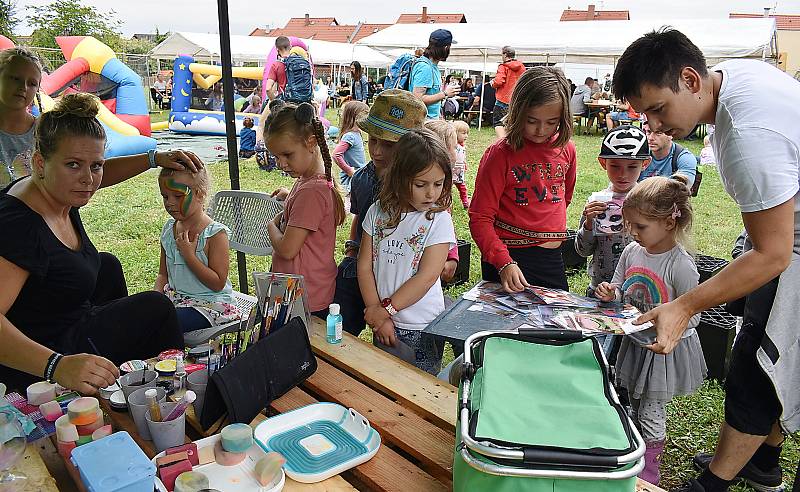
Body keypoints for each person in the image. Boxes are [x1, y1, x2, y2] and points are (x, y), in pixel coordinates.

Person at [613, 28, 799, 492]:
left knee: (756, 365)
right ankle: (763, 461)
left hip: (789, 246)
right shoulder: (737, 76)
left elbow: (773, 254)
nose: (654, 128)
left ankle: (712, 484)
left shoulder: (746, 136)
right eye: (646, 114)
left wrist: (684, 305)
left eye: (658, 110)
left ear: (691, 80)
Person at [0, 93, 185, 394]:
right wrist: (57, 366)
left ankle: (122, 380)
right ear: (40, 163)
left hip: (59, 314)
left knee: (107, 264)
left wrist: (153, 159)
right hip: (39, 358)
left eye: (95, 166)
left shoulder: (55, 189)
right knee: (156, 307)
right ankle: (172, 394)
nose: (88, 179)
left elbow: (94, 171)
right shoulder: (18, 224)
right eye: (73, 164)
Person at [595, 175, 707, 486]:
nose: (632, 232)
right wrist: (610, 293)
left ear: (669, 223)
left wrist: (662, 325)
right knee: (631, 400)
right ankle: (633, 446)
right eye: (630, 225)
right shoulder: (632, 252)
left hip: (661, 353)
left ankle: (649, 471)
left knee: (651, 412)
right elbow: (622, 288)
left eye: (640, 227)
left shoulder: (680, 266)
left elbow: (692, 316)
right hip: (634, 342)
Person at [357, 128, 456, 374]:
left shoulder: (438, 219)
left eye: (438, 184)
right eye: (421, 184)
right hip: (384, 320)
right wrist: (375, 311)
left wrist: (384, 310)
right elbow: (364, 266)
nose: (431, 193)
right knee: (385, 382)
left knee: (420, 389)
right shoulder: (377, 212)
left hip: (422, 324)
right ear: (400, 177)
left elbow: (427, 276)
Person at [469, 67, 576, 294]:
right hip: (508, 259)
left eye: (551, 122)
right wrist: (503, 261)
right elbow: (480, 217)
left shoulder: (567, 149)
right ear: (517, 111)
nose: (541, 130)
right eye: (532, 120)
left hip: (551, 258)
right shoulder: (499, 154)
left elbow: (563, 200)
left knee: (555, 326)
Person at [333, 89, 428, 336]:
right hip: (360, 265)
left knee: (394, 344)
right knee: (340, 323)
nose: (377, 151)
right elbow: (359, 217)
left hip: (399, 272)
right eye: (373, 141)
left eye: (388, 145)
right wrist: (352, 249)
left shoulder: (422, 187)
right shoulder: (361, 179)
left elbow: (435, 222)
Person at [575, 125, 650, 356]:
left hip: (638, 296)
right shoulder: (597, 203)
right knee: (599, 353)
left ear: (645, 164)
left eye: (632, 167)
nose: (623, 174)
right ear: (602, 163)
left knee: (630, 354)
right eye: (614, 166)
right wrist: (588, 223)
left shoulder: (650, 203)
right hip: (599, 291)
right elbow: (581, 250)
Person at [265, 102, 345, 318]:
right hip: (305, 292)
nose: (281, 164)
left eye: (287, 155)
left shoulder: (311, 192)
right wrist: (289, 196)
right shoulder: (307, 182)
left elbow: (287, 249)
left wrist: (271, 225)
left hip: (304, 297)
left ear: (311, 143)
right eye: (276, 157)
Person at [155, 167, 240, 334]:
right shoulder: (168, 230)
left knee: (163, 325)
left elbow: (217, 283)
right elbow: (163, 275)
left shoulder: (215, 234)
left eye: (178, 196)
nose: (170, 203)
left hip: (209, 305)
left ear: (200, 194)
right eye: (165, 196)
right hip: (177, 300)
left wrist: (189, 256)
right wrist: (156, 298)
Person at [422, 119, 462, 283]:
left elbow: (446, 224)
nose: (457, 150)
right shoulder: (428, 193)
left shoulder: (445, 187)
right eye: (454, 147)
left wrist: (452, 254)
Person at [409, 29, 459, 120]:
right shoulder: (425, 68)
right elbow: (417, 99)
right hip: (423, 123)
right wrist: (445, 93)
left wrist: (440, 116)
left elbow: (433, 95)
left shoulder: (433, 66)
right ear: (445, 48)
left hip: (431, 120)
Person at [640, 119, 697, 188]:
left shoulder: (685, 158)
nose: (650, 138)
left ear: (671, 135)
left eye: (658, 133)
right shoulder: (639, 154)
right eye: (648, 132)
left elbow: (682, 190)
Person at [332, 100, 369, 193]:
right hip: (352, 180)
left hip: (359, 175)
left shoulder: (357, 133)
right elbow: (336, 155)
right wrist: (349, 170)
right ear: (355, 117)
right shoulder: (350, 136)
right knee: (350, 205)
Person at [491, 46, 526, 138]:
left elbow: (499, 81)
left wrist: (492, 84)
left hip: (502, 101)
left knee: (498, 123)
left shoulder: (503, 67)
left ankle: (503, 143)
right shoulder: (522, 67)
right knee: (513, 124)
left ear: (505, 55)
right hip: (516, 101)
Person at [452, 119, 471, 209]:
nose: (466, 136)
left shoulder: (463, 146)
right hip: (452, 171)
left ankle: (465, 202)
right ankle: (446, 203)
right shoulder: (453, 145)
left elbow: (462, 156)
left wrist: (464, 164)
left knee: (462, 188)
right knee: (447, 189)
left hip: (460, 172)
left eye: (467, 133)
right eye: (463, 133)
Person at [266, 36, 291, 101]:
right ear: (290, 47)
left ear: (277, 49)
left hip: (284, 102)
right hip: (300, 101)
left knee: (264, 107)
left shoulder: (276, 65)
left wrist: (274, 102)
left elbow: (268, 89)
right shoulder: (300, 62)